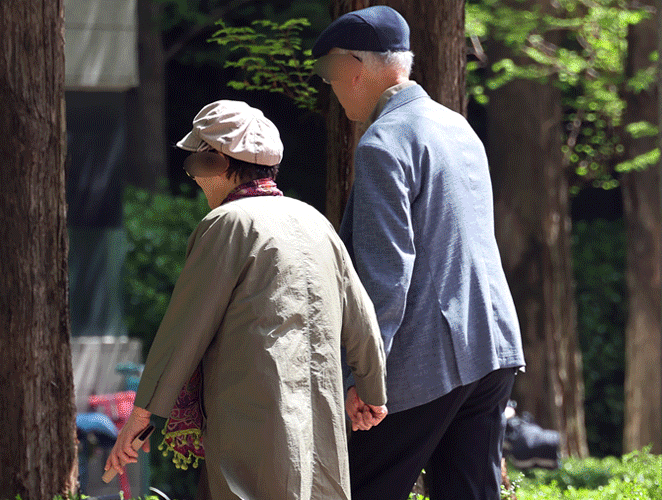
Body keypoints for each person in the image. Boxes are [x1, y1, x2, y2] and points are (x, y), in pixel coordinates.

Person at [104, 99, 388, 500]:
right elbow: (362, 320)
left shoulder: (226, 224)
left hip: (253, 424)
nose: (194, 179)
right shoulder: (316, 222)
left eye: (194, 165)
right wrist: (372, 392)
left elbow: (185, 330)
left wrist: (144, 414)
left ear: (217, 162)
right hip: (321, 424)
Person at [311, 6, 526, 500]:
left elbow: (385, 276)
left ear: (353, 66)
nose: (331, 86)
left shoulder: (383, 143)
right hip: (492, 347)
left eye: (329, 73)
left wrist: (365, 377)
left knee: (355, 489)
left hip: (428, 360)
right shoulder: (457, 128)